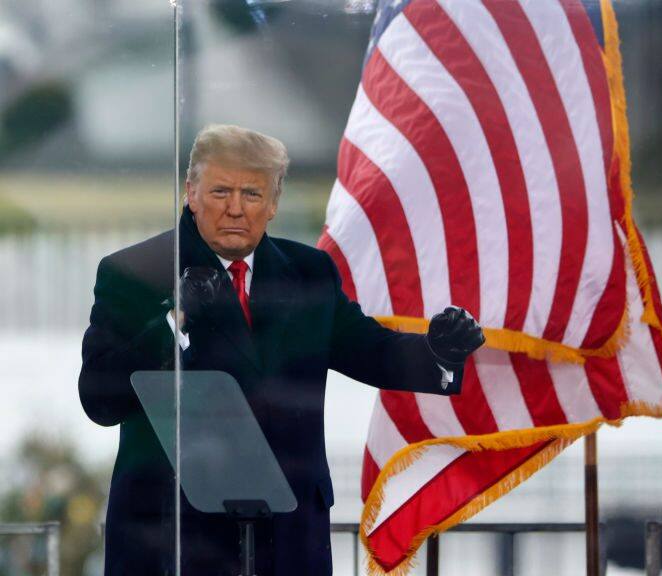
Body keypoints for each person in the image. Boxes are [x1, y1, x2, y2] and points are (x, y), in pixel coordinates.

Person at [79, 124, 484, 576]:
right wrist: (175, 322)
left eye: (252, 194)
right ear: (191, 193)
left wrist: (438, 352)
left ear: (273, 203)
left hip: (289, 537)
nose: (235, 209)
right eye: (220, 191)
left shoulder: (310, 272)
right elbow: (99, 398)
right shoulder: (137, 272)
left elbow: (370, 349)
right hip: (174, 541)